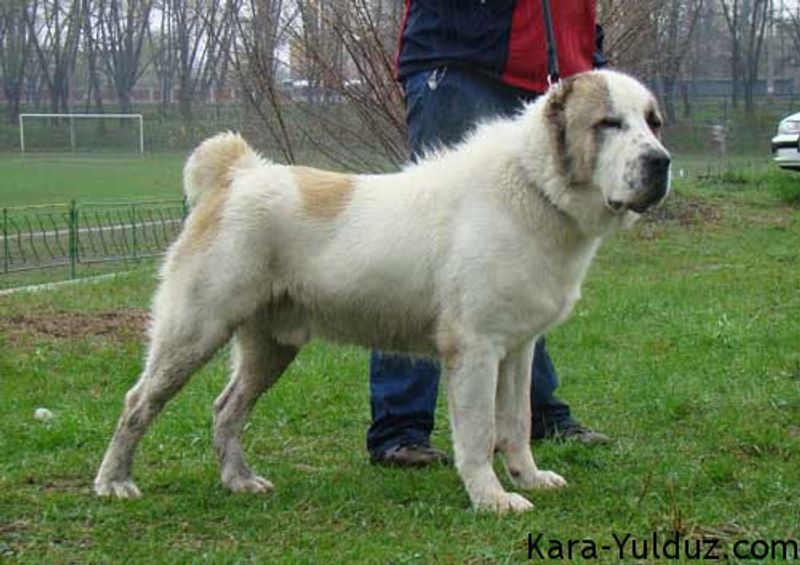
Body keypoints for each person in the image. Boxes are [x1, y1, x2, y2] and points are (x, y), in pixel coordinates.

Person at [368, 1, 610, 467]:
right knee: (419, 246)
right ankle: (400, 425)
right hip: (461, 62)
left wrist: (588, 60)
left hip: (554, 82)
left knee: (530, 265)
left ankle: (535, 414)